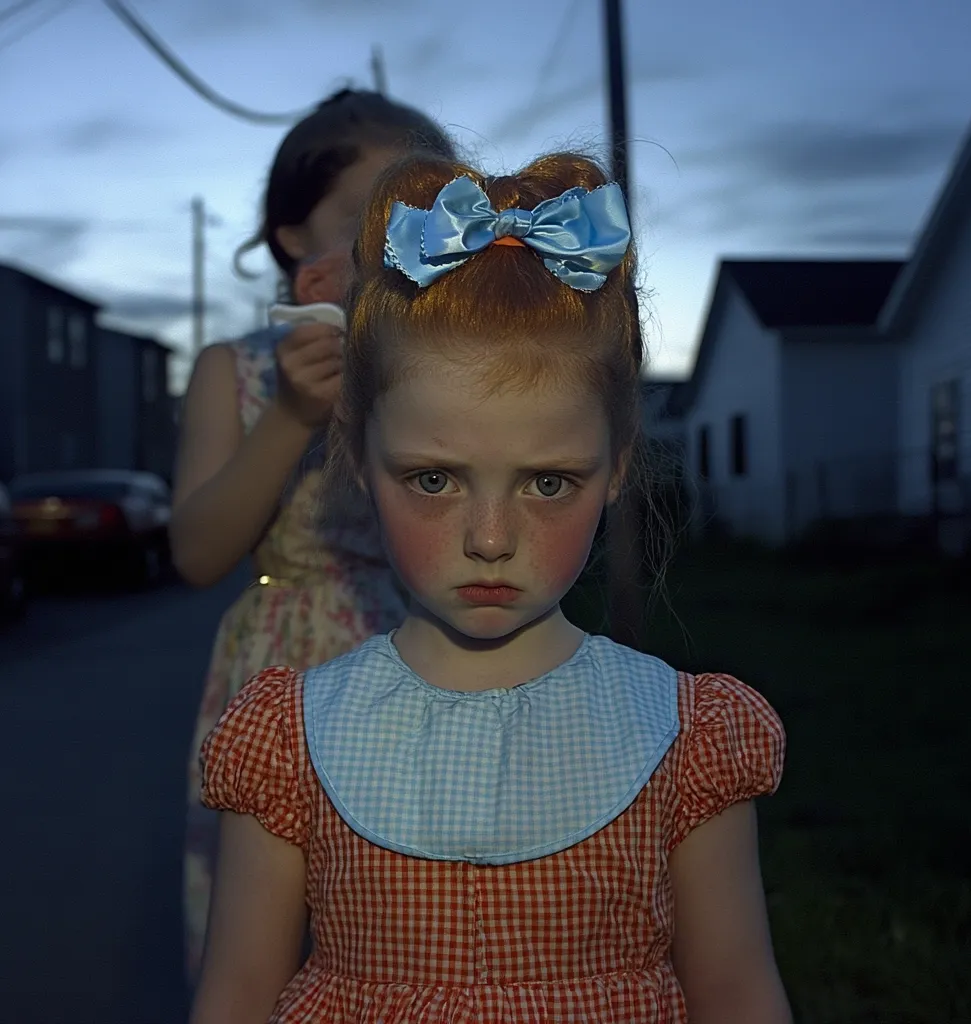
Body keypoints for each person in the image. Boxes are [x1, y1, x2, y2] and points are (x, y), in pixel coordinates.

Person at [190, 151, 792, 1023]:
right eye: (433, 480)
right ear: (358, 457)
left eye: (548, 482)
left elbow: (737, 993)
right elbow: (237, 995)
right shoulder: (291, 741)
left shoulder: (684, 738)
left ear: (618, 466)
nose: (490, 539)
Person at [172, 89, 457, 982]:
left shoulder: (452, 364)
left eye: (423, 213)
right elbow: (198, 552)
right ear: (295, 242)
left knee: (418, 937)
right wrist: (294, 414)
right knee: (270, 943)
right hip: (282, 673)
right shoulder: (240, 370)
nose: (392, 237)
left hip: (430, 666)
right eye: (365, 216)